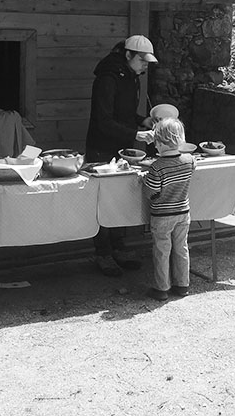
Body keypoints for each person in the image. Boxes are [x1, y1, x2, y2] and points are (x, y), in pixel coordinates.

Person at [85, 34, 157, 277]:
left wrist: (142, 120)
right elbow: (104, 120)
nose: (145, 65)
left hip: (123, 148)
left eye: (148, 61)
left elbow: (124, 113)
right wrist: (136, 133)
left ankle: (118, 248)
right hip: (102, 147)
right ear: (128, 55)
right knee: (104, 201)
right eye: (142, 60)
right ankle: (103, 253)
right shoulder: (107, 78)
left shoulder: (131, 75)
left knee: (121, 200)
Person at [142, 117, 194, 301]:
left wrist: (144, 180)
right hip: (183, 212)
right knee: (181, 248)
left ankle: (162, 288)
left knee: (162, 251)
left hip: (162, 215)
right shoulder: (190, 160)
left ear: (160, 142)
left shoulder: (157, 167)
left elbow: (151, 193)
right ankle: (182, 285)